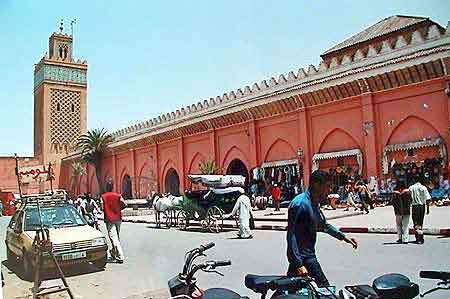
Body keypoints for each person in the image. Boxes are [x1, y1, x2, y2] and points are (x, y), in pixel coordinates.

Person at [287, 170, 358, 287]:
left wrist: (343, 237)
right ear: (316, 185)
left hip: (307, 255)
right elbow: (291, 235)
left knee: (293, 290)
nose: (329, 190)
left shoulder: (314, 203)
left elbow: (324, 225)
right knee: (325, 288)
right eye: (327, 186)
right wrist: (298, 263)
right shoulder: (300, 204)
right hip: (304, 258)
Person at [101, 183, 127, 262]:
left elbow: (102, 207)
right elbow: (124, 204)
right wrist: (118, 209)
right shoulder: (118, 196)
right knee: (116, 237)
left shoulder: (103, 196)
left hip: (109, 219)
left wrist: (107, 209)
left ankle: (120, 255)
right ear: (113, 187)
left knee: (113, 237)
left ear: (106, 187)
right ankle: (113, 252)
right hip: (118, 218)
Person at [408, 177, 431, 244]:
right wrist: (428, 209)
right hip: (422, 207)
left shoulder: (411, 188)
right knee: (421, 222)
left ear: (414, 180)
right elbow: (428, 199)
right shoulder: (424, 188)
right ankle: (421, 237)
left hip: (415, 206)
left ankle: (418, 238)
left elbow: (408, 198)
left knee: (415, 223)